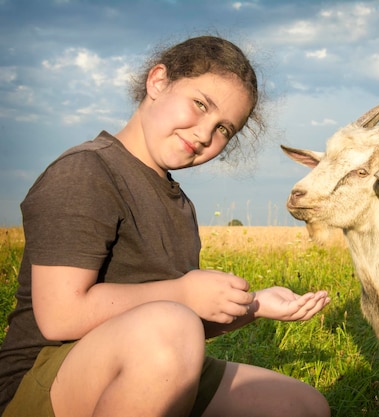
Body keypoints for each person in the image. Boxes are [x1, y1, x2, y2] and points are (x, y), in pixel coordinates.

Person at [0, 35, 331, 417]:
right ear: (158, 81)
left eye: (225, 129)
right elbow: (61, 316)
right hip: (43, 380)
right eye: (200, 104)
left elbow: (180, 332)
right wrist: (182, 294)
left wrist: (253, 306)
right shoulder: (87, 171)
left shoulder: (178, 202)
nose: (206, 134)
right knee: (171, 325)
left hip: (147, 359)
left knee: (302, 407)